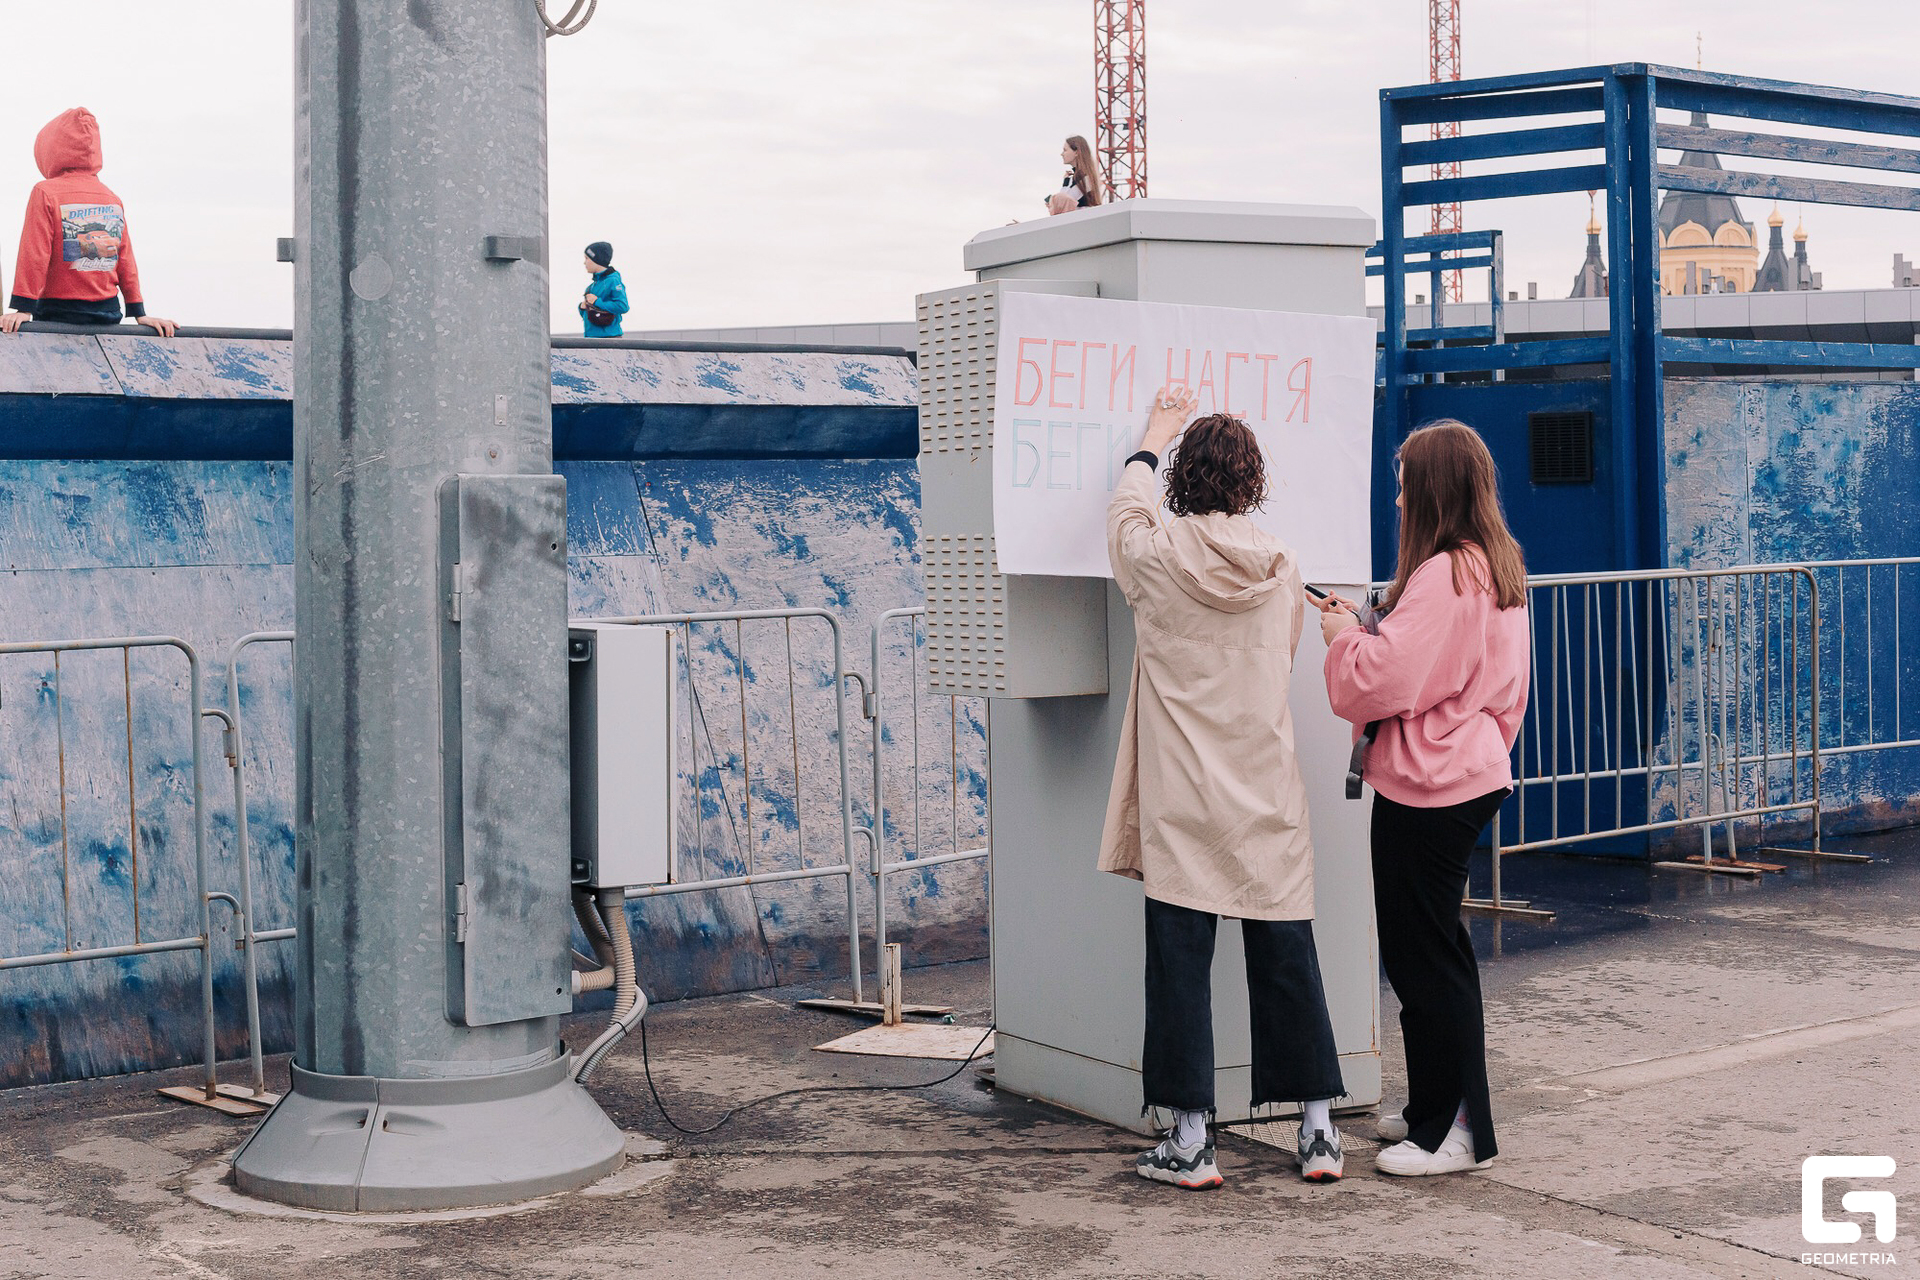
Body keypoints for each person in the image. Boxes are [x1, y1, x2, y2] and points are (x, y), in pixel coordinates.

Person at [1103, 386, 1349, 1191]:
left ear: (1184, 480)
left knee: (1179, 965)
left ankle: (1190, 1141)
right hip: (1265, 783)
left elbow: (1124, 515)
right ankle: (1318, 1133)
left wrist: (1153, 435)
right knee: (1287, 954)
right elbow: (1283, 653)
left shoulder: (1156, 557)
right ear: (1252, 483)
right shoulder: (1283, 567)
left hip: (1183, 793)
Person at [1313, 420, 1530, 1177]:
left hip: (1430, 785)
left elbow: (1385, 680)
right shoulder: (1493, 565)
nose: (1399, 498)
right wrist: (1373, 628)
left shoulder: (1443, 573)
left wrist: (1342, 637)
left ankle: (1453, 1131)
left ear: (1434, 489)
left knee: (1424, 959)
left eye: (1406, 483)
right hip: (1468, 771)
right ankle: (1438, 1108)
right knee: (1437, 952)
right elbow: (1462, 675)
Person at [1, 108, 176, 336]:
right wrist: (138, 311)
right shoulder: (111, 197)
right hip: (107, 313)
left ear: (49, 151)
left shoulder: (45, 192)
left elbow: (35, 252)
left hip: (59, 313)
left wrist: (23, 308)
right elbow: (124, 257)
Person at [578, 241, 628, 337]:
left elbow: (622, 306)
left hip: (609, 339)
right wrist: (582, 307)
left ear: (596, 259)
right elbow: (589, 316)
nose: (584, 262)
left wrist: (596, 301)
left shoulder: (613, 281)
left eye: (587, 258)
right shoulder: (591, 287)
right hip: (591, 339)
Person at [1045, 136, 1103, 215]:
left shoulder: (1086, 178)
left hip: (1082, 219)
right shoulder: (1078, 177)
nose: (1062, 154)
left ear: (1076, 152)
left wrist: (1053, 201)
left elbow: (1064, 204)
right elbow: (1063, 203)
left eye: (1065, 150)